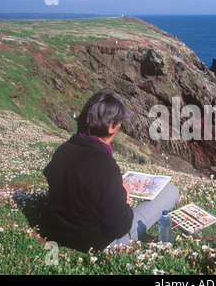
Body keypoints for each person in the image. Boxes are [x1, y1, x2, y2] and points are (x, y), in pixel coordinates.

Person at [42, 88, 179, 252]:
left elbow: (56, 175)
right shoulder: (105, 165)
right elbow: (119, 227)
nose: (120, 126)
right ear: (110, 126)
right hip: (95, 243)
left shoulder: (63, 149)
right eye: (118, 122)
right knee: (171, 191)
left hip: (56, 232)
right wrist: (125, 197)